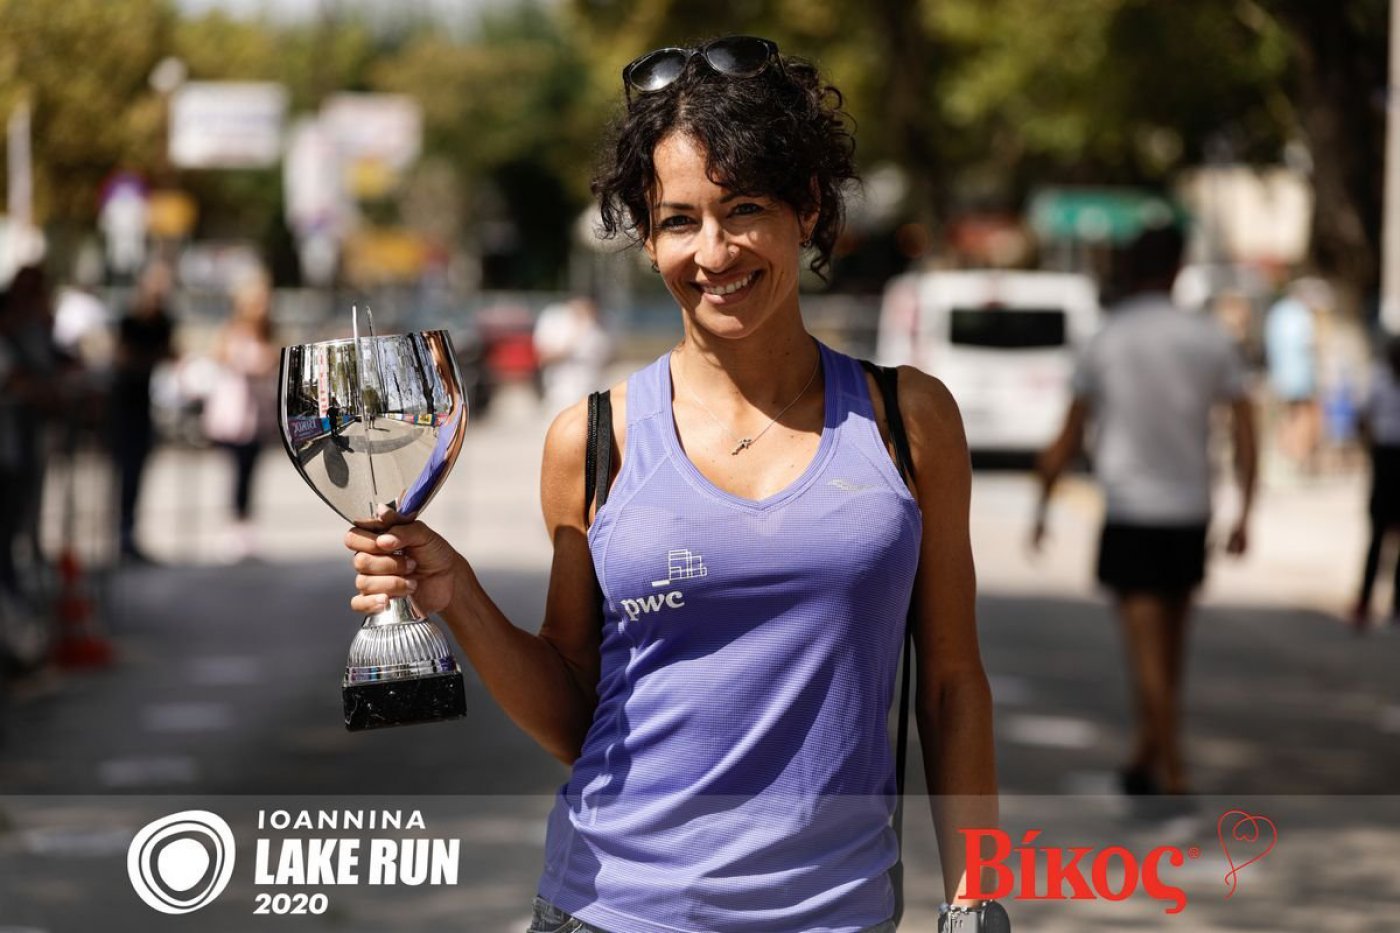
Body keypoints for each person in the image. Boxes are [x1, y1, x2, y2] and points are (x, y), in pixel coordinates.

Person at [343, 36, 998, 933]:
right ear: (648, 240)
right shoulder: (592, 440)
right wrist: (456, 595)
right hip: (611, 908)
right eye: (680, 220)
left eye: (745, 209)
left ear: (807, 208)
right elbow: (574, 712)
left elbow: (953, 686)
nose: (714, 251)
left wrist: (976, 896)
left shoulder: (907, 421)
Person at [1032, 223, 1257, 803]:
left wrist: (1043, 504)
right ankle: (1146, 753)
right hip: (1190, 510)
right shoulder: (1208, 336)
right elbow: (1246, 427)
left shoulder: (1107, 338)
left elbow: (1069, 434)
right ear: (1178, 268)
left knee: (1145, 651)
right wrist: (1245, 511)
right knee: (1170, 648)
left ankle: (1172, 768)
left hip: (1131, 510)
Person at [202, 272, 278, 562]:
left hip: (257, 416)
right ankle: (235, 527)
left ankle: (245, 527)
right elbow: (232, 361)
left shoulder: (267, 332)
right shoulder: (232, 332)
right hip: (235, 416)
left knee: (251, 472)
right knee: (237, 472)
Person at [111, 261, 176, 563]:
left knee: (136, 472)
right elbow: (123, 359)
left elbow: (170, 353)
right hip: (124, 406)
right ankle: (121, 535)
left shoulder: (163, 321)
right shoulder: (130, 322)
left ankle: (129, 534)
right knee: (124, 473)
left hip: (143, 406)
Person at [1352, 334, 1400, 630]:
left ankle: (1396, 604)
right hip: (1384, 456)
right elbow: (1363, 416)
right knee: (1378, 533)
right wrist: (1369, 448)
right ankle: (1365, 600)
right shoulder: (1379, 379)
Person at [1264, 278, 1324, 472]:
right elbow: (1310, 344)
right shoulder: (1301, 314)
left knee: (1287, 413)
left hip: (1281, 374)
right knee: (1304, 413)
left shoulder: (1276, 313)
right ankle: (1300, 453)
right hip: (1301, 375)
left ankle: (1288, 451)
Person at [533, 295, 613, 414]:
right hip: (562, 394)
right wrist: (576, 338)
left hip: (592, 392)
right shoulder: (555, 321)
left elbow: (608, 358)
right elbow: (544, 357)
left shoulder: (600, 326)